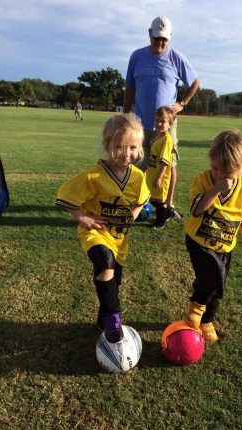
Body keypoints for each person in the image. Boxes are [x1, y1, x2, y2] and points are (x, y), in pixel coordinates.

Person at [55, 113, 150, 343]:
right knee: (105, 265)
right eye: (119, 146)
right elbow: (66, 196)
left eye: (132, 148)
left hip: (120, 240)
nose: (126, 153)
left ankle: (102, 319)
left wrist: (133, 216)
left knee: (113, 283)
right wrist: (84, 219)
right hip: (95, 234)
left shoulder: (137, 177)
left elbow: (142, 200)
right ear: (106, 145)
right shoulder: (93, 176)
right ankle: (114, 320)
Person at [184, 129, 242, 342]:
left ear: (240, 167)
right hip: (198, 241)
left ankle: (207, 320)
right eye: (215, 168)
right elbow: (196, 210)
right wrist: (214, 190)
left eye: (226, 171)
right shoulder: (202, 179)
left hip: (225, 246)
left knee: (218, 286)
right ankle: (194, 309)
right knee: (212, 276)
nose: (219, 174)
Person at [123, 16, 200, 220]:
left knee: (169, 166)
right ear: (150, 33)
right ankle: (137, 203)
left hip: (166, 126)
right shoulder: (137, 57)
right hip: (140, 123)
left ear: (170, 37)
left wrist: (182, 103)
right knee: (139, 164)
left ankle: (168, 206)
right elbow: (130, 86)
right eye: (157, 38)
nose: (160, 43)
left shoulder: (176, 58)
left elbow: (194, 81)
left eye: (164, 39)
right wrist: (125, 113)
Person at [146, 106, 174, 229]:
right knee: (152, 198)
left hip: (161, 176)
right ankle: (168, 213)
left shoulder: (167, 140)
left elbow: (165, 162)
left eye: (163, 121)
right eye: (157, 120)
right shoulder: (158, 136)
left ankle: (160, 222)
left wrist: (159, 178)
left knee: (160, 200)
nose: (159, 123)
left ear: (170, 124)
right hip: (153, 173)